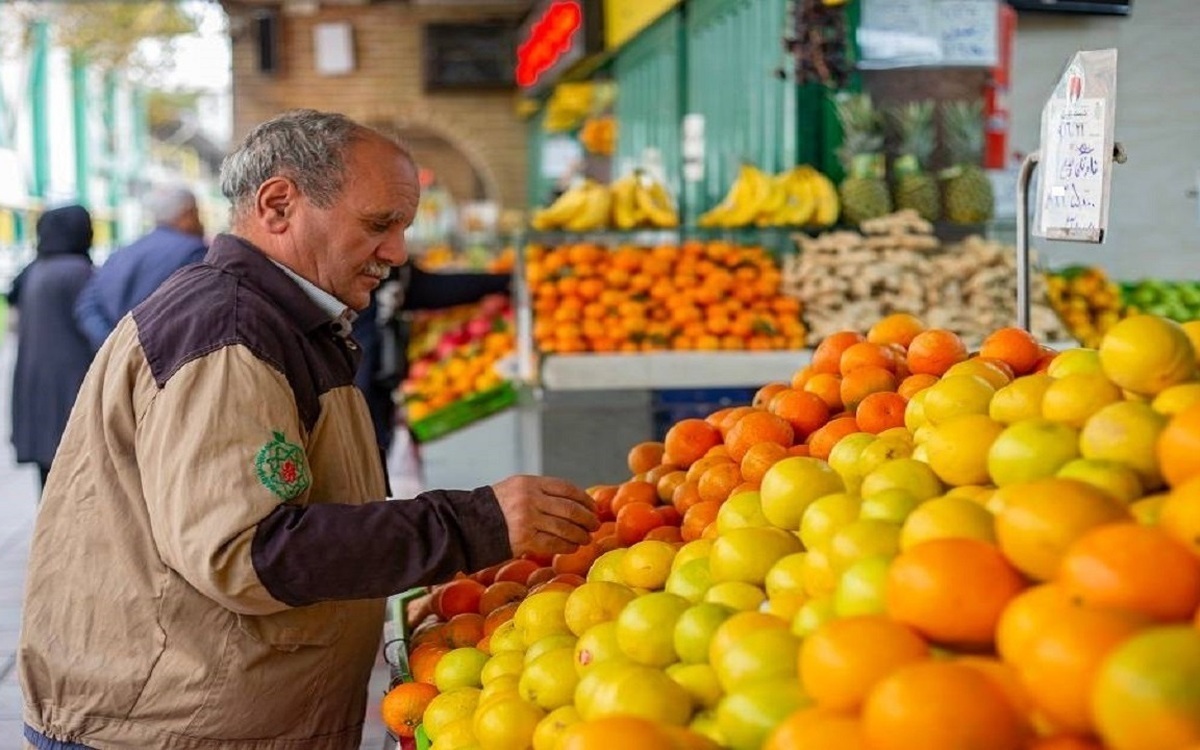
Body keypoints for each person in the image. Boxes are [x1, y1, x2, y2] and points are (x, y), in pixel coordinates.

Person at [19, 109, 597, 750]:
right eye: (380, 224)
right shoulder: (229, 331)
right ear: (278, 205)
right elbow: (248, 550)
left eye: (402, 227)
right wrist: (470, 524)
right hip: (170, 728)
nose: (397, 253)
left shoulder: (281, 319)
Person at [353, 259, 510, 460]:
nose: (398, 251)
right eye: (379, 226)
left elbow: (422, 288)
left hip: (376, 395)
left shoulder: (389, 268)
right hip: (354, 399)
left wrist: (502, 282)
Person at [6, 204, 94, 491]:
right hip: (71, 388)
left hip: (36, 386)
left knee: (47, 483)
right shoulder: (80, 273)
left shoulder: (34, 271)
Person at [73, 184, 207, 351]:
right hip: (167, 364)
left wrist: (116, 347)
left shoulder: (121, 253)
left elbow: (86, 306)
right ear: (188, 214)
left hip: (120, 362)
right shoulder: (195, 252)